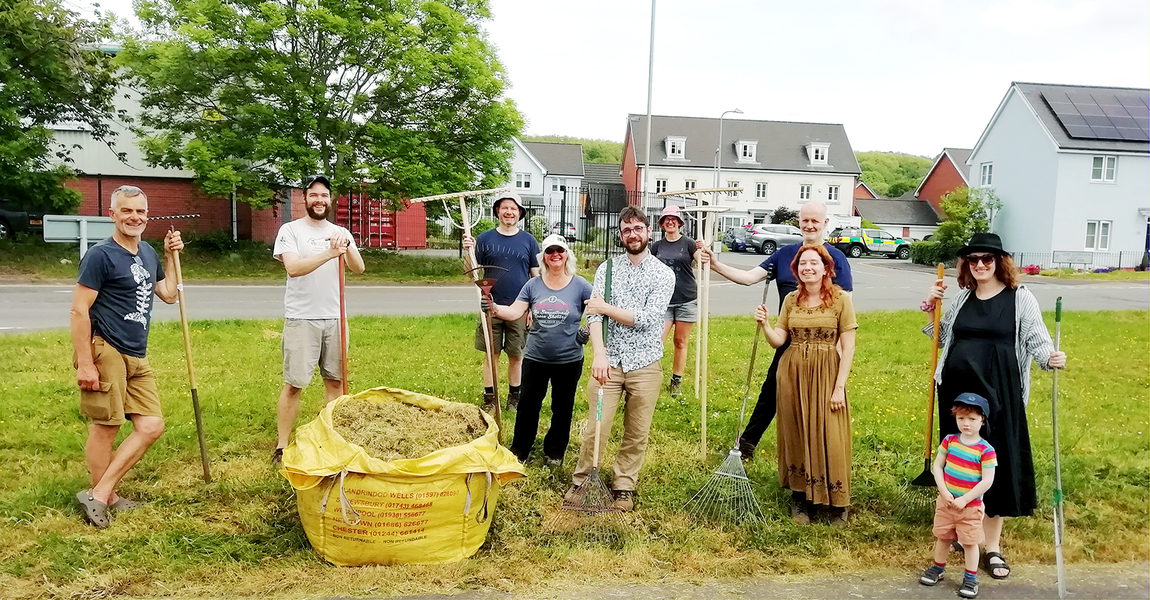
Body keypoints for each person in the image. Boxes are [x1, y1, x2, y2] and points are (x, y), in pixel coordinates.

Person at [924, 232, 1066, 580]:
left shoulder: (1020, 297)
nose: (980, 264)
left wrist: (1050, 358)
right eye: (973, 259)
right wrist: (931, 307)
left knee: (992, 465)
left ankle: (991, 547)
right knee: (961, 462)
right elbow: (941, 336)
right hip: (957, 394)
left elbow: (1036, 339)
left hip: (998, 393)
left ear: (1000, 262)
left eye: (987, 258)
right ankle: (963, 532)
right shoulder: (963, 297)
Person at [698, 201, 853, 460]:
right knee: (771, 391)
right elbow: (749, 278)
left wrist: (837, 354)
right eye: (805, 220)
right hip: (788, 340)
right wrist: (715, 264)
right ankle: (747, 444)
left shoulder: (836, 259)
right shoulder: (785, 254)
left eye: (815, 221)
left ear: (825, 223)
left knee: (817, 399)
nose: (810, 225)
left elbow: (845, 311)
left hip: (822, 345)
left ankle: (819, 454)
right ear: (799, 222)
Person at [70, 185, 184, 528]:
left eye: (140, 211)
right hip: (107, 348)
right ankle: (104, 496)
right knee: (107, 426)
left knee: (151, 425)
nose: (135, 217)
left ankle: (101, 493)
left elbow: (168, 294)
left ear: (147, 216)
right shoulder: (100, 255)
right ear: (113, 214)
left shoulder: (146, 252)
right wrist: (86, 363)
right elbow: (78, 310)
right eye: (127, 211)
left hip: (137, 353)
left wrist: (170, 256)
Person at [566, 206, 675, 512]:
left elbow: (647, 319)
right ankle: (582, 480)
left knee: (637, 431)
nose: (633, 235)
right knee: (596, 426)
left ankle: (624, 485)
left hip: (646, 364)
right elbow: (593, 315)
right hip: (609, 364)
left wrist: (606, 308)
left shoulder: (663, 274)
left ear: (648, 231)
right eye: (627, 230)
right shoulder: (608, 269)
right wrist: (599, 355)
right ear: (620, 235)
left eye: (638, 228)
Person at [755, 244, 857, 525]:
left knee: (830, 433)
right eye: (802, 264)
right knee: (796, 431)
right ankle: (800, 496)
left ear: (826, 268)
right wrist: (765, 325)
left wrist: (839, 387)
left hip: (827, 373)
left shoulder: (840, 299)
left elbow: (848, 347)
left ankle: (837, 502)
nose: (807, 268)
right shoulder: (791, 300)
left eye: (814, 263)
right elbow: (779, 340)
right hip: (792, 373)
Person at [272, 174, 365, 463]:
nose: (319, 200)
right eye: (313, 195)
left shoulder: (341, 232)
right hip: (302, 319)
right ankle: (282, 445)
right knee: (294, 384)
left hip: (335, 318)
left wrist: (345, 246)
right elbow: (293, 268)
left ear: (330, 199)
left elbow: (359, 268)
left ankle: (330, 438)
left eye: (324, 195)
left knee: (335, 382)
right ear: (305, 199)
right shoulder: (290, 230)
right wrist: (330, 253)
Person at [485, 234, 592, 465]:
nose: (555, 255)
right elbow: (515, 311)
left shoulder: (581, 285)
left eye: (559, 250)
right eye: (550, 251)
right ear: (543, 257)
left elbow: (598, 311)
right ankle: (520, 449)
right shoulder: (533, 285)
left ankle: (555, 451)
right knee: (528, 405)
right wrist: (494, 307)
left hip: (569, 359)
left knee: (562, 407)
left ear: (566, 255)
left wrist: (587, 331)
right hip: (536, 358)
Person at [462, 190, 540, 411]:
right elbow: (471, 271)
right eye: (505, 207)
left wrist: (533, 306)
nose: (509, 212)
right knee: (491, 354)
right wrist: (469, 250)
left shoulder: (528, 240)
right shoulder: (485, 239)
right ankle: (490, 398)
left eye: (513, 208)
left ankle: (514, 398)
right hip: (490, 305)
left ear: (519, 213)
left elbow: (536, 276)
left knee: (516, 355)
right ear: (497, 211)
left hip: (519, 308)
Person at [919, 393, 997, 599]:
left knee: (970, 542)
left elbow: (987, 481)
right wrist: (944, 492)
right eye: (961, 418)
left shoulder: (986, 450)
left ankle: (971, 578)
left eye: (972, 419)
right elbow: (938, 466)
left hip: (970, 507)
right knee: (943, 536)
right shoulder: (949, 441)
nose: (966, 423)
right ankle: (938, 567)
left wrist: (965, 499)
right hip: (946, 503)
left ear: (982, 420)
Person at [648, 204, 698, 398]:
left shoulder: (689, 244)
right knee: (656, 341)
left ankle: (676, 381)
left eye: (673, 219)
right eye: (666, 219)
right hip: (664, 301)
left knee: (680, 341)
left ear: (679, 223)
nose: (670, 222)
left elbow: (702, 261)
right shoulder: (657, 247)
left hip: (686, 298)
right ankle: (651, 377)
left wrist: (703, 250)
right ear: (662, 224)